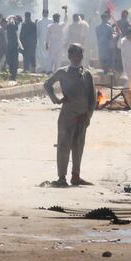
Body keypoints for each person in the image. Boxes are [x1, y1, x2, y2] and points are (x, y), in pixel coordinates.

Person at [43, 44, 95, 187]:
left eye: (80, 55)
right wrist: (55, 99)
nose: (78, 57)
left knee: (78, 146)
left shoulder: (87, 74)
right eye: (75, 55)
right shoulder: (63, 72)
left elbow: (92, 98)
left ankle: (76, 176)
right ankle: (62, 178)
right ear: (69, 56)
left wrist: (88, 115)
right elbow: (47, 84)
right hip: (67, 116)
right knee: (64, 146)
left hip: (82, 116)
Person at [5, 15, 21, 80]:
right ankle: (13, 76)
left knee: (11, 62)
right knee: (14, 62)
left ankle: (12, 75)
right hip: (13, 46)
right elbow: (15, 28)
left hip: (10, 46)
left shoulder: (9, 26)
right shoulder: (13, 26)